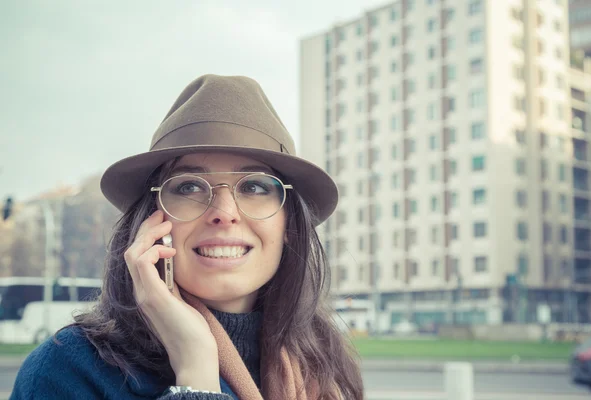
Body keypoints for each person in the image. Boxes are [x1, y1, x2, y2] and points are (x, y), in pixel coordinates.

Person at [11, 75, 364, 399]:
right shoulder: (68, 371)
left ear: (288, 225)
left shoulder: (322, 362)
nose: (224, 212)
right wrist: (195, 370)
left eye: (254, 186)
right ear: (150, 221)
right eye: (189, 186)